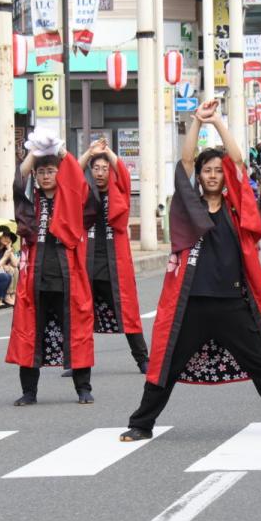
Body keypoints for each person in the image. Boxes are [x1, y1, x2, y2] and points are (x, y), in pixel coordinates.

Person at [120, 99, 261, 441]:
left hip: (233, 302)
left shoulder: (236, 208)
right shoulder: (188, 206)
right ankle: (141, 424)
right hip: (192, 303)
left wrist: (218, 121)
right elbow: (186, 160)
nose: (212, 176)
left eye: (217, 172)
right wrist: (196, 122)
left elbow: (237, 160)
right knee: (166, 366)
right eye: (208, 171)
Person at [7, 129, 95, 406]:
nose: (46, 176)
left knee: (77, 332)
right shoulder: (31, 200)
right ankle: (29, 392)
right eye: (41, 171)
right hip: (35, 279)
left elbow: (78, 182)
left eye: (50, 171)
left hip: (69, 277)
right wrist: (33, 153)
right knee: (29, 334)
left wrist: (60, 152)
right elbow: (17, 183)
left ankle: (83, 387)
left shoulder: (70, 197)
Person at [77, 138, 150, 374]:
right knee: (81, 312)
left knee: (127, 308)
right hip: (86, 260)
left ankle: (142, 359)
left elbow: (124, 174)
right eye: (96, 168)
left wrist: (107, 151)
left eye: (104, 169)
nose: (99, 173)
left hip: (115, 261)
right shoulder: (83, 191)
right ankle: (79, 361)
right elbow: (69, 176)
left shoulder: (119, 190)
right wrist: (89, 152)